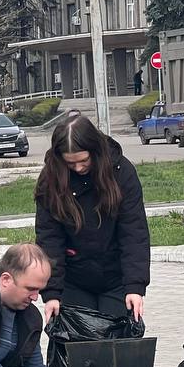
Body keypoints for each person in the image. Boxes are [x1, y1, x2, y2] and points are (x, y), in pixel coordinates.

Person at [35, 115, 151, 320]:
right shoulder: (50, 179)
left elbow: (134, 232)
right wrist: (52, 293)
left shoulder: (122, 172)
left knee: (117, 336)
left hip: (116, 278)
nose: (79, 168)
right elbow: (49, 238)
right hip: (73, 279)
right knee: (76, 338)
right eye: (70, 163)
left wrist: (135, 286)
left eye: (83, 160)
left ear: (95, 151)